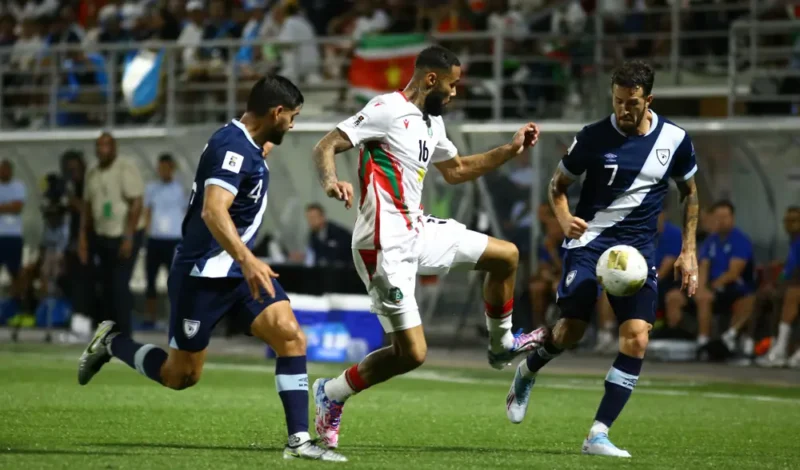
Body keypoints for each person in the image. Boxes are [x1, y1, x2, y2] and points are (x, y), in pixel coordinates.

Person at [76, 76, 346, 462]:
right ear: (276, 112)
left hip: (238, 272)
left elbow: (259, 148)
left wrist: (326, 179)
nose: (293, 125)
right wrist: (248, 259)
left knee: (290, 337)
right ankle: (111, 342)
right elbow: (213, 210)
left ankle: (299, 441)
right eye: (292, 117)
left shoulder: (250, 141)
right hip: (202, 275)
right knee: (180, 376)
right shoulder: (231, 147)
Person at [311, 45, 543, 450]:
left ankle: (501, 345)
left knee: (506, 255)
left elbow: (457, 170)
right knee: (411, 354)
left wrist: (510, 149)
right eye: (451, 85)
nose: (454, 93)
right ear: (431, 79)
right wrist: (331, 181)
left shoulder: (432, 123)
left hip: (417, 230)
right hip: (383, 246)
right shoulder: (386, 109)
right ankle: (332, 393)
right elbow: (325, 145)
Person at [504, 60, 700, 458]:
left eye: (632, 102)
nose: (623, 109)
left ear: (649, 100)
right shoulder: (593, 137)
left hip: (637, 253)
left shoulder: (675, 140)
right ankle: (528, 371)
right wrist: (563, 219)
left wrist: (689, 251)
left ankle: (598, 433)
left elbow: (690, 193)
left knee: (637, 337)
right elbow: (557, 185)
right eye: (617, 101)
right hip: (589, 244)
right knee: (570, 331)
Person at [78, 132, 146, 337]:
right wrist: (82, 237)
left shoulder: (125, 167)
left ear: (114, 148)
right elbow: (87, 206)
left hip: (124, 234)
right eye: (99, 146)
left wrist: (128, 236)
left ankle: (125, 334)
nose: (102, 150)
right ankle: (108, 333)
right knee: (105, 285)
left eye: (106, 146)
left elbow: (136, 203)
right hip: (102, 234)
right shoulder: (92, 171)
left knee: (119, 285)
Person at [695, 201, 756, 357]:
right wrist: (701, 288)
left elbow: (733, 273)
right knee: (703, 298)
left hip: (735, 288)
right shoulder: (710, 240)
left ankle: (730, 338)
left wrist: (712, 287)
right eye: (718, 217)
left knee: (747, 301)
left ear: (732, 218)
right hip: (714, 288)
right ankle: (703, 342)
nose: (721, 221)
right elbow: (704, 266)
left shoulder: (740, 240)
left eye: (725, 217)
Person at [143, 153, 187, 328]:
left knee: (175, 280)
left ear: (172, 168)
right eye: (161, 168)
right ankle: (150, 316)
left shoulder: (180, 189)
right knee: (150, 279)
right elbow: (148, 211)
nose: (163, 171)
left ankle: (176, 316)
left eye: (167, 168)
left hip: (174, 240)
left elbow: (185, 212)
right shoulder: (152, 188)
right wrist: (146, 233)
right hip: (155, 239)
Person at [757, 206, 800, 368]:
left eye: (794, 220)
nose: (789, 224)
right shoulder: (794, 243)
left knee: (790, 294)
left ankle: (781, 347)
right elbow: (787, 271)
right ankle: (773, 345)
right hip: (793, 285)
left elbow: (794, 272)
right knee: (768, 296)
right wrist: (776, 282)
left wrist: (782, 284)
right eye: (787, 221)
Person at [0, 159, 26, 299]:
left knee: (15, 271)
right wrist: (8, 206)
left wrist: (5, 207)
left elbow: (17, 207)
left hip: (13, 235)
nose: (4, 172)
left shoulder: (18, 186)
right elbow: (12, 206)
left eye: (6, 169)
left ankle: (17, 300)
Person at [303, 203, 352, 268]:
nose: (310, 221)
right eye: (308, 218)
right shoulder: (312, 236)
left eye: (313, 218)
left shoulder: (340, 234)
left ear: (322, 217)